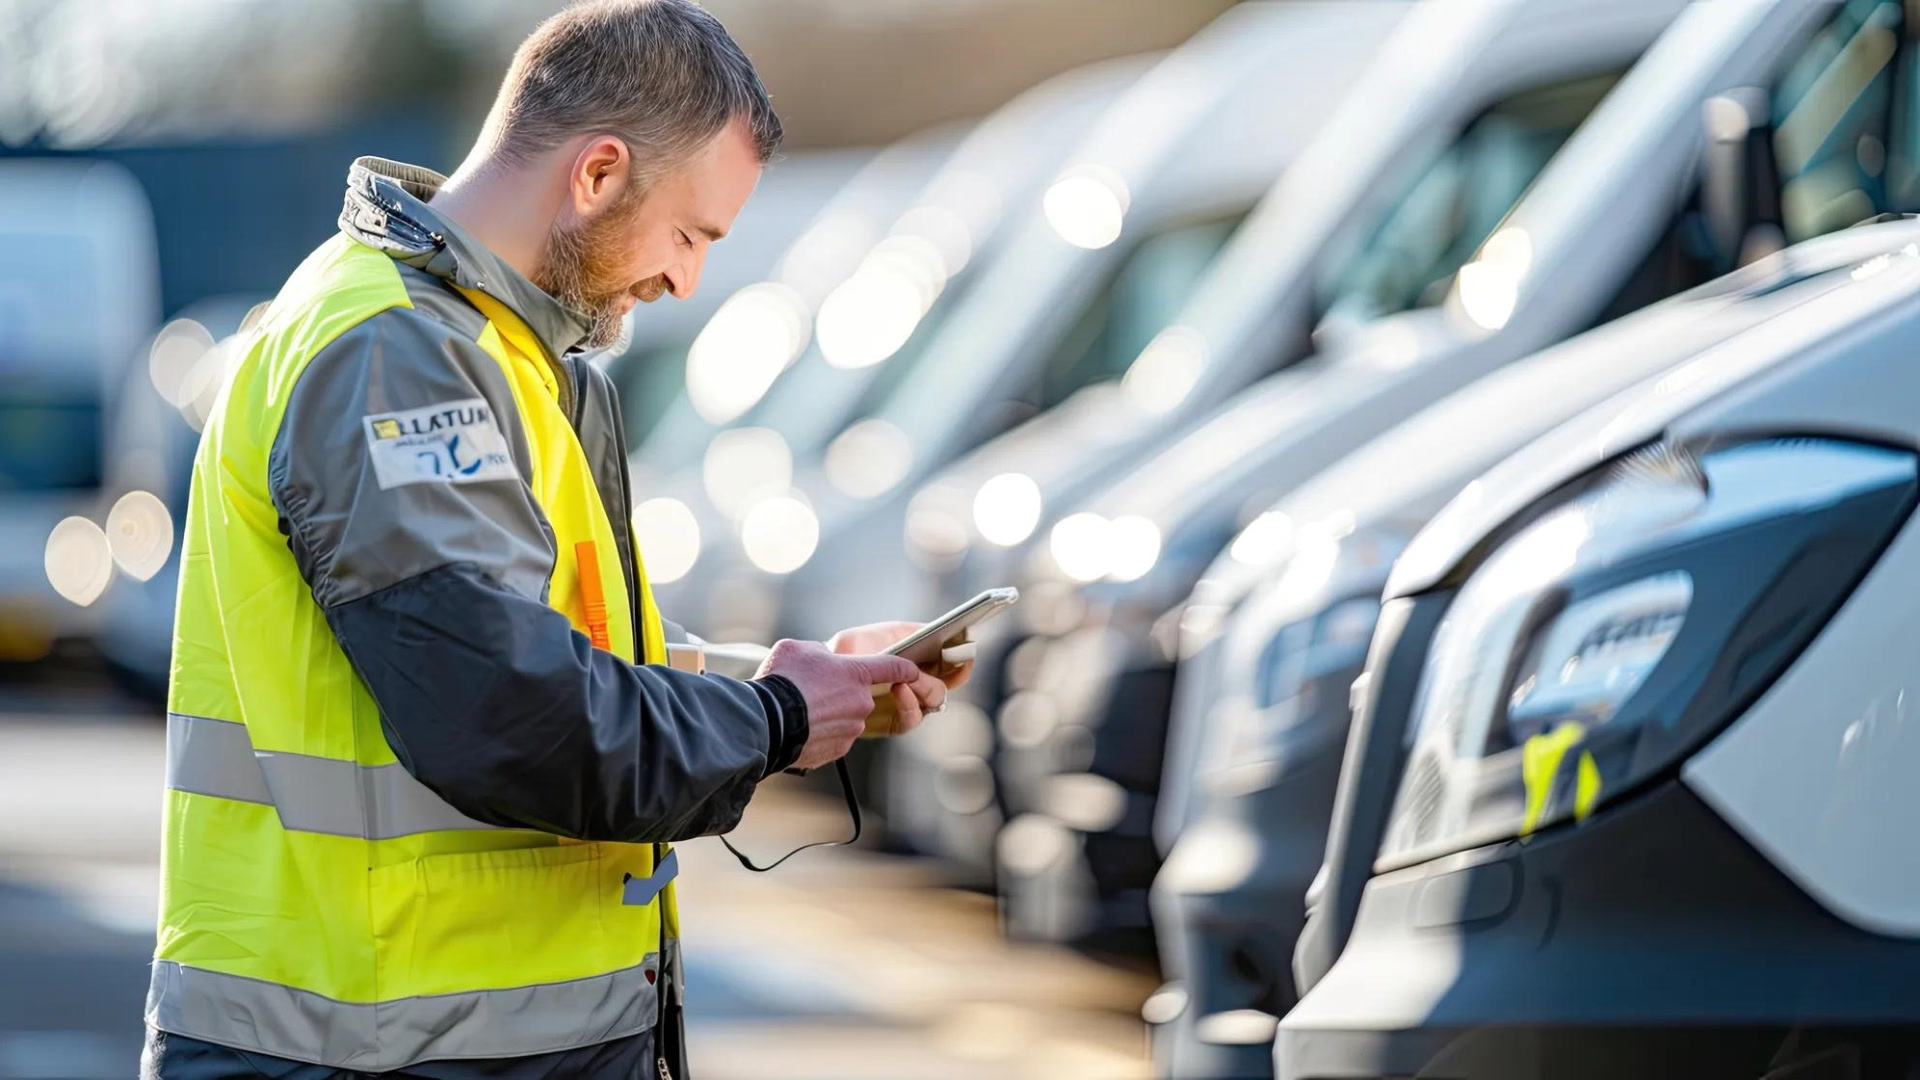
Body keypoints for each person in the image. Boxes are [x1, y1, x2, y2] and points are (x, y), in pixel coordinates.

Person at [140, 2, 967, 1077]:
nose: (688, 281)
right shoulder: (393, 355)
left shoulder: (495, 351)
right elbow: (504, 708)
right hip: (369, 1048)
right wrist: (770, 718)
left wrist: (799, 687)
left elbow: (564, 656)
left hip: (434, 1042)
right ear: (598, 174)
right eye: (691, 233)